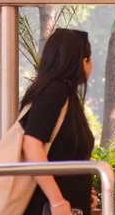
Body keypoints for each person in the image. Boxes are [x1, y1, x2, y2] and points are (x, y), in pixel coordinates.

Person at [21, 28, 96, 215]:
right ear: (83, 61)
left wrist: (84, 190)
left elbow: (62, 154)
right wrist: (57, 201)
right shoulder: (55, 92)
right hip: (48, 207)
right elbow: (31, 144)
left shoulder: (66, 96)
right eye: (90, 58)